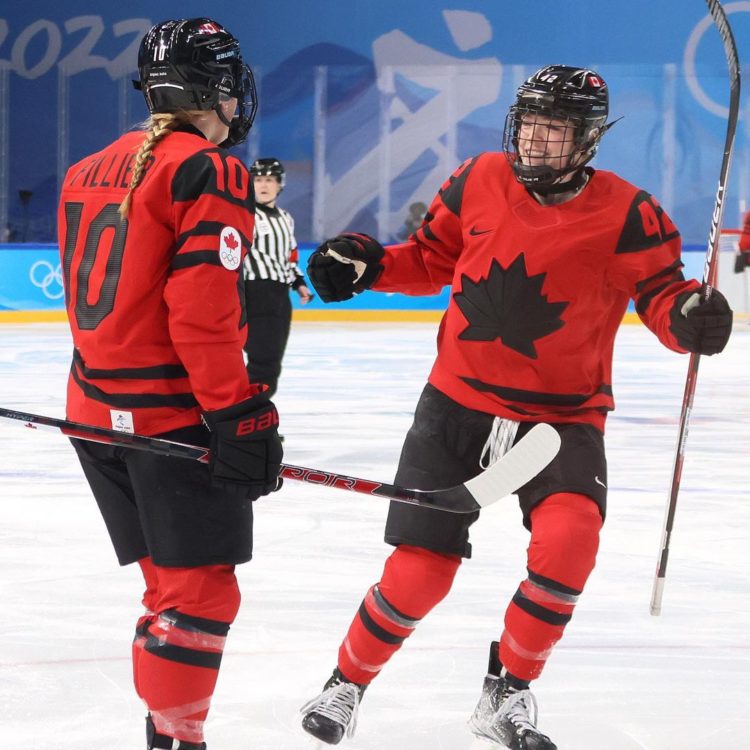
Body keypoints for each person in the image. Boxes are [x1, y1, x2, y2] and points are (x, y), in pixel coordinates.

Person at [299, 65, 734, 749]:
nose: (534, 139)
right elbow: (431, 258)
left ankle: (507, 692)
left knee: (570, 542)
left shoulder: (629, 213)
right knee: (419, 572)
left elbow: (662, 297)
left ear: (587, 139)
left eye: (552, 129)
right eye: (528, 124)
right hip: (456, 408)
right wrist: (368, 263)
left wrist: (689, 318)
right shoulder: (478, 178)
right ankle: (346, 682)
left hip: (560, 422)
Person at [57, 18, 283, 750]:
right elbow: (201, 314)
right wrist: (238, 413)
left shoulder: (86, 167)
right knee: (200, 595)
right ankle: (179, 740)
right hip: (167, 422)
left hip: (92, 411)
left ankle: (165, 732)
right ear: (218, 90)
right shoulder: (209, 169)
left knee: (167, 590)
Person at [243, 157, 313, 397]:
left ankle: (257, 406)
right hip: (253, 292)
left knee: (273, 360)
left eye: (270, 180)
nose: (264, 185)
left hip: (280, 295)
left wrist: (299, 283)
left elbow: (290, 256)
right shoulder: (244, 215)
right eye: (258, 180)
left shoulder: (286, 218)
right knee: (262, 359)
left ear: (279, 184)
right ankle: (251, 407)